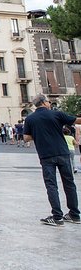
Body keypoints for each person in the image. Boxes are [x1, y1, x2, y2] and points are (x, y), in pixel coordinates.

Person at [23, 94, 81, 226]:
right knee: (69, 183)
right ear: (43, 102)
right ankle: (74, 214)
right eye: (48, 101)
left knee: (51, 185)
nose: (50, 103)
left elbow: (26, 138)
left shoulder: (30, 119)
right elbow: (75, 120)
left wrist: (38, 134)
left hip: (46, 155)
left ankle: (57, 217)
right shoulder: (56, 114)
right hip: (63, 152)